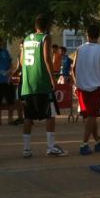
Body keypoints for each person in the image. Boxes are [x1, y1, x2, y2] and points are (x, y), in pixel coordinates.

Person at [17, 15, 65, 157]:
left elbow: (21, 61)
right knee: (50, 115)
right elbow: (46, 59)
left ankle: (26, 149)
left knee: (28, 117)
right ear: (47, 27)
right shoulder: (45, 38)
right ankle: (50, 147)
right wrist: (52, 79)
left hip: (28, 84)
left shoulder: (26, 39)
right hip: (41, 83)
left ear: (35, 26)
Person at [71, 24, 100, 155]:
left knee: (90, 115)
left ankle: (98, 141)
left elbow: (73, 68)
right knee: (92, 115)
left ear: (86, 35)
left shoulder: (79, 49)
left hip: (82, 86)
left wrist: (76, 83)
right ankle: (84, 144)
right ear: (99, 35)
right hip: (95, 86)